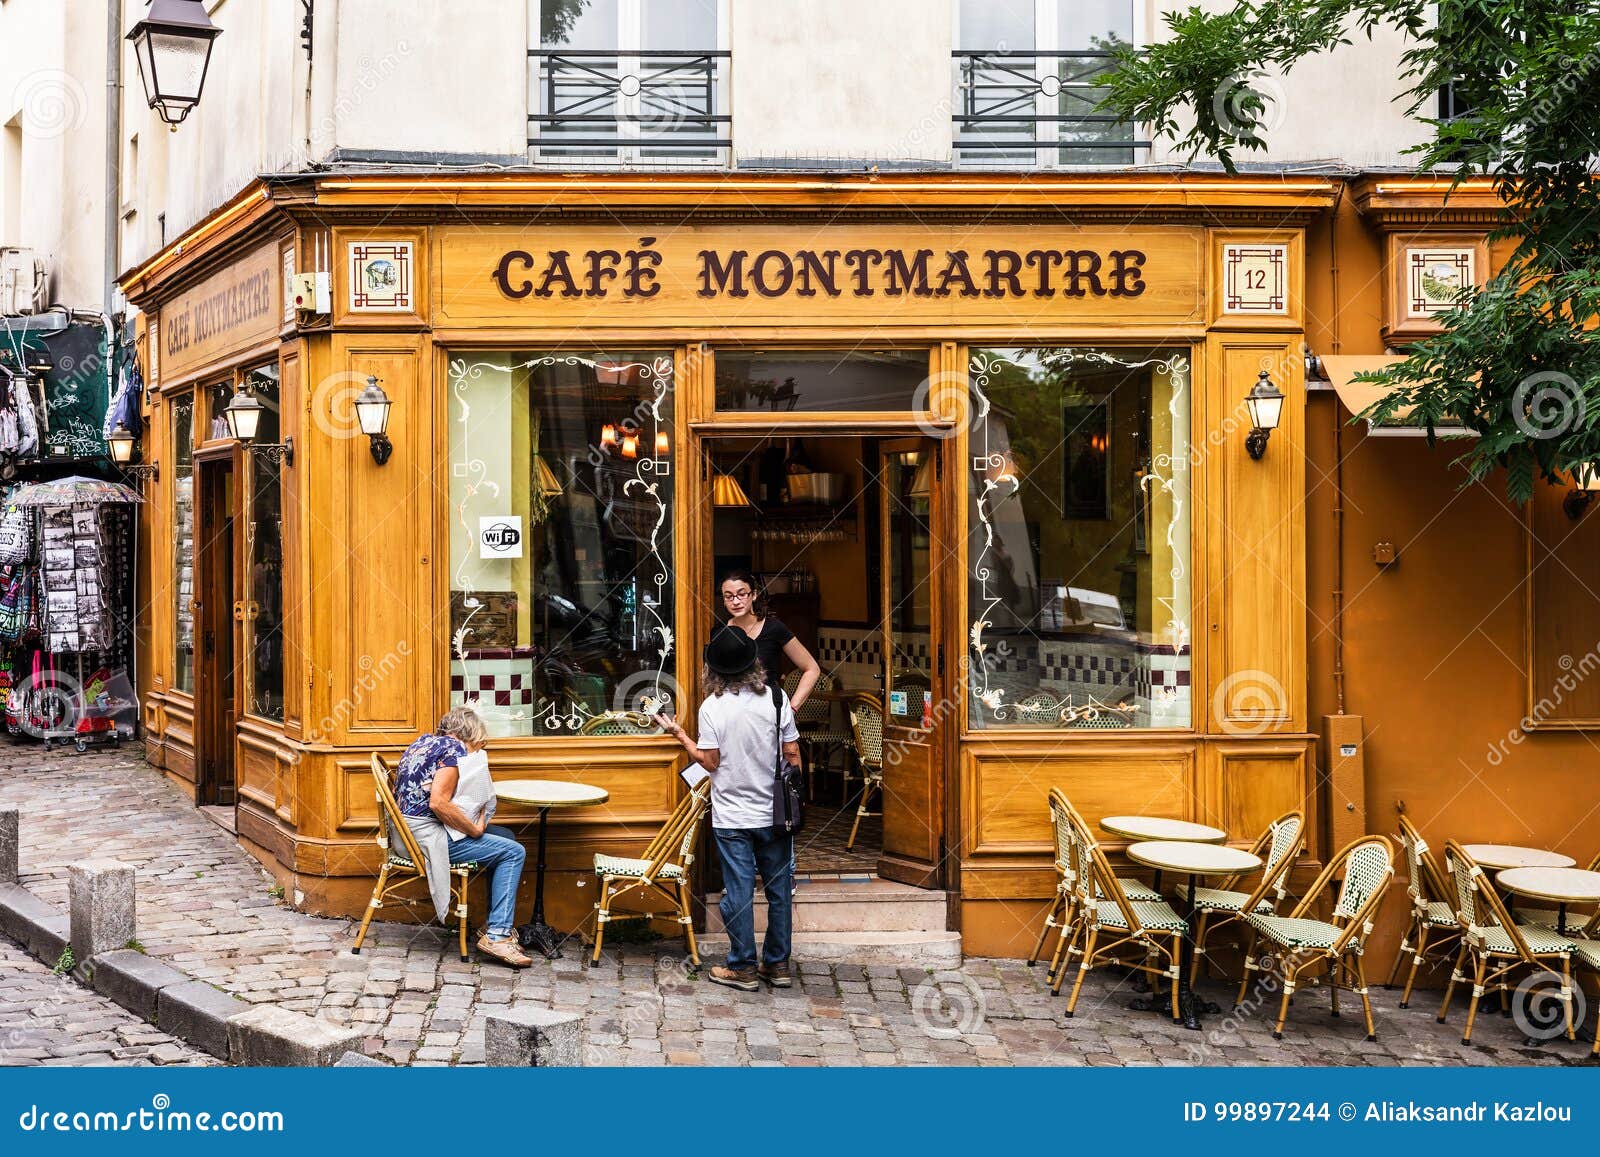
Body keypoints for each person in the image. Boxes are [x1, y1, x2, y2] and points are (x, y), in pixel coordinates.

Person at [656, 625, 801, 992]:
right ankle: (778, 964)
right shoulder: (777, 699)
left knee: (737, 891)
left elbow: (710, 761)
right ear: (755, 664)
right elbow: (792, 754)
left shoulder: (712, 707)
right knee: (779, 890)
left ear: (714, 671)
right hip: (774, 813)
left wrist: (679, 735)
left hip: (732, 815)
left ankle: (742, 967)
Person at [393, 706, 531, 968]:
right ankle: (498, 936)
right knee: (513, 852)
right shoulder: (453, 750)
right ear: (464, 736)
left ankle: (492, 925)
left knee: (506, 836)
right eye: (477, 744)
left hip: (404, 833)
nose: (476, 752)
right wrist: (475, 828)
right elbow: (438, 803)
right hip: (423, 839)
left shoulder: (424, 742)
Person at [718, 568, 822, 710]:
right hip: (730, 714)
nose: (735, 601)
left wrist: (791, 709)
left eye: (741, 594)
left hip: (767, 714)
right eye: (728, 596)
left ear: (753, 595)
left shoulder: (774, 628)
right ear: (723, 600)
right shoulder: (719, 632)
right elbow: (713, 680)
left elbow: (812, 669)